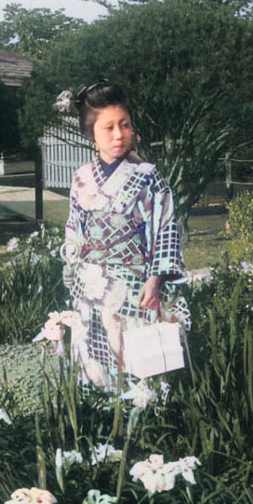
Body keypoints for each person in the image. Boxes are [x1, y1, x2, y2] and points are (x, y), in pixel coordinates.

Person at [60, 81, 190, 390]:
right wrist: (72, 268)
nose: (118, 134)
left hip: (135, 284)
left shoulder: (148, 176)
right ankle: (98, 407)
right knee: (94, 355)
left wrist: (155, 278)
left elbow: (165, 227)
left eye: (125, 125)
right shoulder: (81, 178)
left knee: (138, 357)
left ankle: (144, 408)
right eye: (108, 128)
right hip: (92, 283)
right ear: (92, 134)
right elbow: (73, 228)